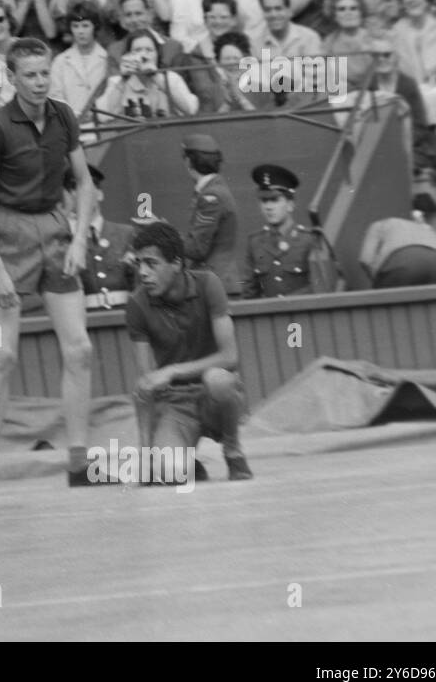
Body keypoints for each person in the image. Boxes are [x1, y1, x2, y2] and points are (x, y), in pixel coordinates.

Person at [0, 37, 97, 497]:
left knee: (79, 348)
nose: (40, 82)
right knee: (2, 354)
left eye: (45, 74)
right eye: (31, 75)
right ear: (13, 80)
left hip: (56, 234)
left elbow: (83, 183)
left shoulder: (64, 116)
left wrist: (79, 237)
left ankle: (78, 463)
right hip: (7, 239)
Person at [126, 220, 253, 483]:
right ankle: (184, 463)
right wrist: (147, 457)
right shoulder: (137, 305)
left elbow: (229, 357)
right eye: (139, 264)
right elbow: (146, 386)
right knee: (165, 473)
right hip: (176, 405)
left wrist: (172, 371)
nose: (143, 273)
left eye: (151, 263)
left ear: (177, 263)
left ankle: (233, 451)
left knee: (218, 379)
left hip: (214, 395)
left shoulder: (209, 285)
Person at [242, 164, 321, 299]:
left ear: (290, 205)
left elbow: (319, 287)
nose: (268, 207)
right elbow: (249, 293)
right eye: (264, 201)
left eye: (274, 200)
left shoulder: (309, 240)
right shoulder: (255, 243)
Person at [64, 165, 134, 311]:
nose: (80, 194)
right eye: (73, 189)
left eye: (88, 187)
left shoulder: (126, 234)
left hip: (125, 314)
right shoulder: (64, 239)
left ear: (100, 194)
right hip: (85, 319)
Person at [181, 133, 241, 297]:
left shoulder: (211, 196)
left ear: (188, 161)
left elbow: (197, 249)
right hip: (218, 282)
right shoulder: (214, 191)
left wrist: (165, 236)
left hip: (214, 284)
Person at [360, 194, 436, 288]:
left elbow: (365, 259)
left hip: (405, 263)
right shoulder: (426, 230)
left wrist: (378, 282)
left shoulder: (377, 225)